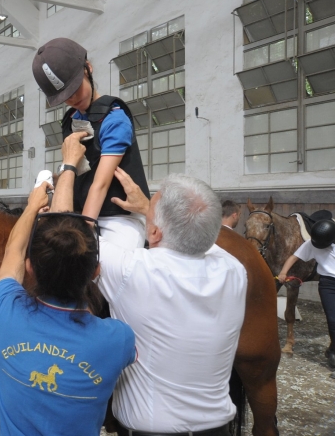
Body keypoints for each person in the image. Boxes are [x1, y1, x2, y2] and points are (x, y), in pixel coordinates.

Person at [53, 132, 247, 436]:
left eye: (150, 214)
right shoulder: (234, 271)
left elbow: (63, 231)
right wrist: (148, 209)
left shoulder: (134, 272)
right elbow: (202, 235)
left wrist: (68, 166)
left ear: (154, 233)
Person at [0, 182, 136, 436]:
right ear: (96, 272)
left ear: (30, 268)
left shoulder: (6, 308)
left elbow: (14, 249)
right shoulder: (117, 338)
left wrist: (32, 207)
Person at [32, 38, 150, 249]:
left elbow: (100, 184)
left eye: (75, 89)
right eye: (64, 97)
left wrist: (82, 234)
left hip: (119, 218)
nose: (72, 99)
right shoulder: (71, 120)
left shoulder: (114, 119)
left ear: (88, 68)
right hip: (80, 209)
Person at [277, 219, 335, 370]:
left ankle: (332, 350)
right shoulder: (312, 243)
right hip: (328, 284)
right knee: (332, 320)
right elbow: (294, 257)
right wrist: (283, 272)